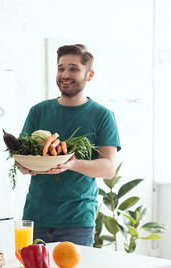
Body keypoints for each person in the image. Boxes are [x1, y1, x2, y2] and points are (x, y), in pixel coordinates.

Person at [18, 44, 121, 246]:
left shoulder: (102, 116)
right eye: (61, 68)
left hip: (77, 223)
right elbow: (21, 163)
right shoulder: (38, 111)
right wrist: (25, 166)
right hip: (35, 218)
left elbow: (108, 168)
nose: (65, 74)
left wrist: (71, 163)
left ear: (89, 75)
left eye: (73, 68)